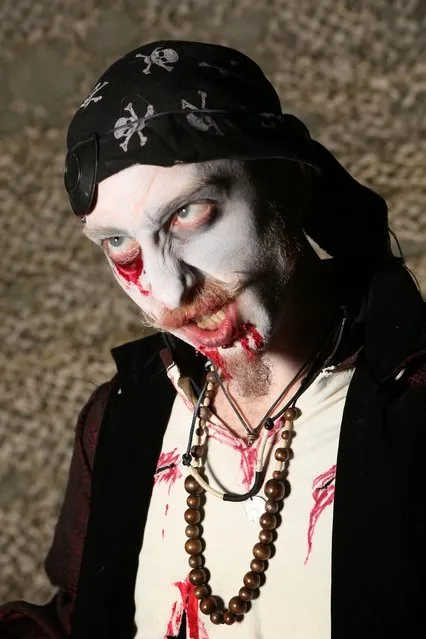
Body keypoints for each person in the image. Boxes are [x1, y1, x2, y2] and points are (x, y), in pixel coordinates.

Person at [1, 40, 425, 639]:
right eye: (118, 244)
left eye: (188, 213)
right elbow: (81, 614)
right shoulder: (121, 418)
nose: (166, 293)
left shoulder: (414, 405)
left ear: (288, 183)